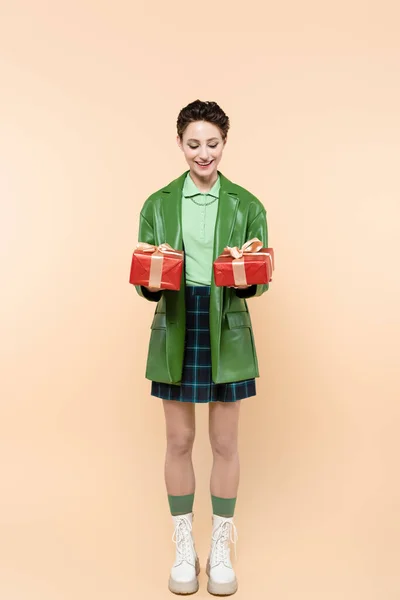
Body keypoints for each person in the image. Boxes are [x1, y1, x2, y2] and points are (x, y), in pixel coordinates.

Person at [133, 100, 270, 596]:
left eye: (212, 144)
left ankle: (221, 548)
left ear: (224, 144)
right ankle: (183, 548)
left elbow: (259, 274)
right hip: (177, 320)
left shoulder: (247, 204)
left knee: (226, 444)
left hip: (226, 321)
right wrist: (151, 281)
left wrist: (248, 276)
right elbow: (145, 271)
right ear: (179, 144)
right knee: (178, 441)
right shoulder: (157, 203)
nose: (203, 153)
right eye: (193, 144)